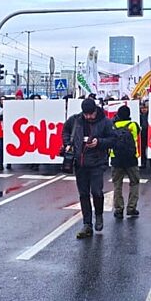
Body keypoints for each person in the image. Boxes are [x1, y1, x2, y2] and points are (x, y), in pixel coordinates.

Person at [62, 98, 115, 239]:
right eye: (86, 114)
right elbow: (65, 131)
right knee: (83, 194)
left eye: (91, 114)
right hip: (80, 163)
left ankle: (99, 215)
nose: (88, 117)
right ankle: (87, 224)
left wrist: (99, 142)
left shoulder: (105, 122)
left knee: (97, 192)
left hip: (97, 163)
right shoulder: (75, 120)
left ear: (95, 110)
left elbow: (113, 139)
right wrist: (68, 144)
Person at [110, 105, 141, 219]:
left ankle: (119, 209)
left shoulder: (113, 126)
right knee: (134, 183)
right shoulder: (133, 125)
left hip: (116, 158)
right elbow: (138, 133)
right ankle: (131, 208)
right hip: (131, 158)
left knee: (117, 184)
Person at [0, 97, 9, 172]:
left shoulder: (10, 108)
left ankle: (9, 162)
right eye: (1, 100)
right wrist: (1, 117)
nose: (3, 101)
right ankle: (0, 163)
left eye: (4, 100)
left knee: (8, 148)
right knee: (0, 148)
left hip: (8, 131)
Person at [138, 100, 149, 170]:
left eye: (145, 108)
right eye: (142, 108)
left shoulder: (150, 115)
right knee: (142, 149)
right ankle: (143, 162)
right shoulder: (139, 116)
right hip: (142, 134)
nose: (143, 109)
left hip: (149, 133)